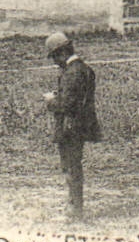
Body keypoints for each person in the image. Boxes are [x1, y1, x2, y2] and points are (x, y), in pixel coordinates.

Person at [43, 31, 101, 219]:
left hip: (70, 127)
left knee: (70, 167)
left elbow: (67, 104)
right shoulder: (85, 69)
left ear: (62, 52)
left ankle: (75, 209)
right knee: (73, 166)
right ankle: (75, 206)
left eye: (54, 57)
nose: (54, 62)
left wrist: (51, 100)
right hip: (81, 125)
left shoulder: (71, 73)